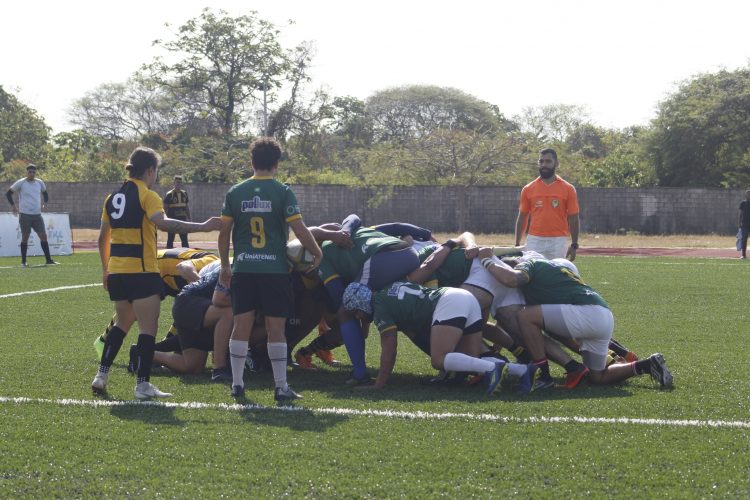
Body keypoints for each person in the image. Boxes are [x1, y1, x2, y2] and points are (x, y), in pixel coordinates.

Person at [91, 146, 222, 400]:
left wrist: (106, 269)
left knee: (122, 323)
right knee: (148, 328)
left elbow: (101, 239)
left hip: (117, 271)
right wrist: (203, 226)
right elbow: (165, 224)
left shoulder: (111, 198)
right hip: (142, 271)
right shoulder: (147, 195)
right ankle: (142, 385)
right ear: (149, 170)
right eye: (155, 172)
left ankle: (101, 375)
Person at [477, 248, 674, 392]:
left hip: (587, 313)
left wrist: (487, 261)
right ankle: (646, 365)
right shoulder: (551, 269)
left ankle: (543, 375)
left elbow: (512, 279)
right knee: (598, 377)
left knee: (526, 317)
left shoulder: (531, 264)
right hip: (602, 315)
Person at [218, 137, 322, 402]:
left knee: (241, 325)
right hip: (274, 271)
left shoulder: (236, 192)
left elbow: (224, 233)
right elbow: (299, 229)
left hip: (244, 269)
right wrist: (317, 251)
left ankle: (238, 384)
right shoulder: (282, 191)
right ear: (276, 163)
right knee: (276, 328)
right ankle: (280, 387)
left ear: (252, 161)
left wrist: (225, 265)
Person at [342, 281, 532, 394]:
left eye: (357, 312)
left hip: (449, 302)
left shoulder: (381, 308)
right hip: (463, 297)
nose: (358, 317)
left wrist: (379, 383)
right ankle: (522, 371)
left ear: (361, 303)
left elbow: (389, 350)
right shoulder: (389, 289)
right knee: (471, 361)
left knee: (439, 360)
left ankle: (493, 367)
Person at [92, 247, 219, 360]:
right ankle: (103, 341)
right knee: (133, 312)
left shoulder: (215, 266)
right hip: (155, 269)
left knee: (189, 310)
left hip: (166, 266)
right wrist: (201, 285)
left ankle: (160, 347)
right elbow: (184, 266)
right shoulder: (207, 272)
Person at [514, 148, 580, 260]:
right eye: (541, 161)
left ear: (556, 163)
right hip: (534, 240)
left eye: (548, 161)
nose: (544, 164)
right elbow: (523, 217)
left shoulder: (568, 189)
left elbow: (573, 218)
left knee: (555, 274)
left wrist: (574, 245)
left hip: (558, 240)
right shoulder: (528, 188)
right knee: (532, 274)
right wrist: (517, 243)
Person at [5, 163, 57, 267]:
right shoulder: (21, 183)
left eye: (33, 172)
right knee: (25, 237)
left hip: (37, 215)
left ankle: (48, 260)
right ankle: (24, 262)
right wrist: (13, 206)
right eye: (30, 172)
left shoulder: (39, 183)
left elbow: (45, 193)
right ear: (27, 172)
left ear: (35, 173)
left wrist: (45, 204)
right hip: (25, 215)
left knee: (43, 236)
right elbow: (8, 193)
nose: (32, 174)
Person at [163, 175, 191, 249]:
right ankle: (167, 257)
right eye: (177, 182)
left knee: (184, 240)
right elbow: (164, 207)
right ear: (174, 183)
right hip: (172, 220)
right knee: (170, 239)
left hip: (182, 220)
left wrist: (189, 218)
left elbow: (186, 206)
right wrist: (165, 219)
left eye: (180, 182)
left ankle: (186, 255)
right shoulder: (170, 194)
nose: (178, 184)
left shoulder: (184, 193)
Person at [738, 189, 750, 259]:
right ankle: (743, 255)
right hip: (744, 224)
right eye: (748, 194)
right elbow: (740, 214)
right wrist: (739, 223)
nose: (749, 195)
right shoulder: (743, 203)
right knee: (744, 239)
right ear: (746, 195)